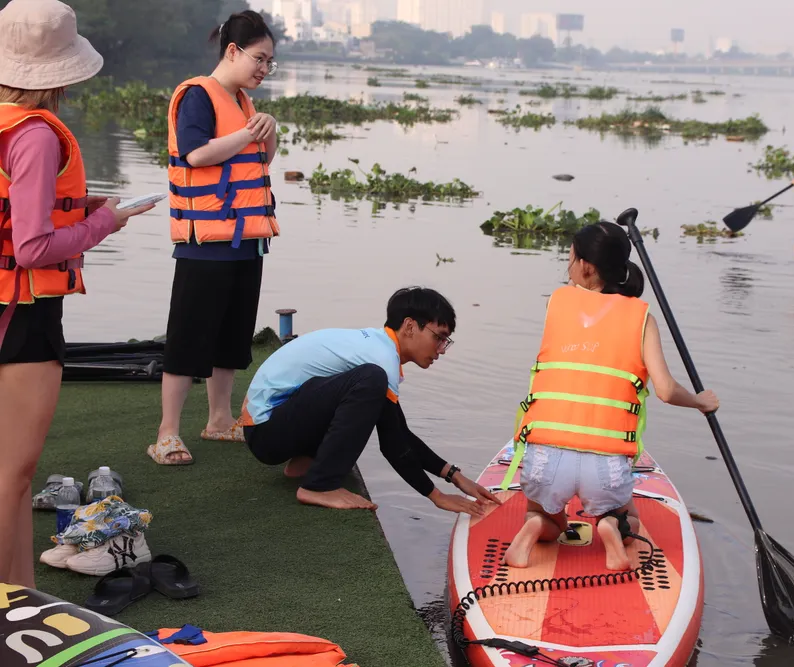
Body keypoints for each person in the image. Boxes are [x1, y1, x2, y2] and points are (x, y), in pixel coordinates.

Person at [0, 0, 158, 587]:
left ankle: (23, 602)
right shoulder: (37, 135)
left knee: (11, 477)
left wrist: (84, 209)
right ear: (62, 73)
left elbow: (19, 218)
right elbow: (34, 249)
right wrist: (106, 223)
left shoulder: (3, 124)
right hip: (24, 317)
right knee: (13, 476)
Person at [501, 222, 719, 572]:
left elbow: (581, 300)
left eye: (570, 257)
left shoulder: (556, 302)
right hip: (605, 466)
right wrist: (700, 401)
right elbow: (664, 390)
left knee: (544, 513)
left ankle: (536, 528)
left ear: (585, 266)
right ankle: (611, 528)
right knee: (627, 515)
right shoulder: (642, 317)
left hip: (546, 459)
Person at [237, 287, 501, 516]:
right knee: (370, 379)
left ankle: (305, 463)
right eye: (439, 337)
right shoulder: (380, 359)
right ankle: (319, 486)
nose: (442, 349)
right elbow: (392, 444)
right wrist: (437, 496)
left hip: (270, 429)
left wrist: (453, 475)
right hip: (266, 431)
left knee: (370, 385)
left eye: (446, 341)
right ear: (410, 327)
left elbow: (399, 432)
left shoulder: (378, 348)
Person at [150, 10, 281, 466]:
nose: (264, 69)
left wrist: (269, 131)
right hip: (204, 245)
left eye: (270, 63)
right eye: (260, 59)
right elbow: (196, 152)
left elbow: (260, 159)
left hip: (246, 242)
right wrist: (250, 131)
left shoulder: (244, 102)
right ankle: (167, 433)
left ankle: (220, 420)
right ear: (233, 51)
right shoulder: (198, 96)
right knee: (188, 337)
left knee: (232, 335)